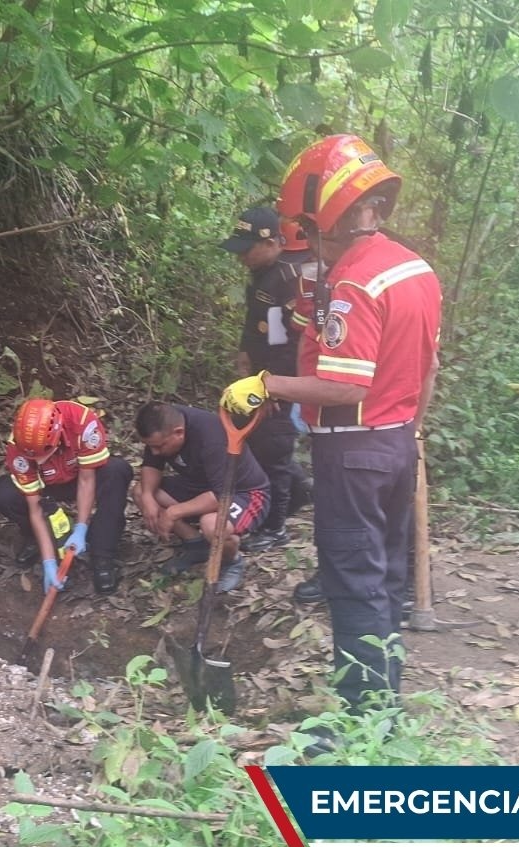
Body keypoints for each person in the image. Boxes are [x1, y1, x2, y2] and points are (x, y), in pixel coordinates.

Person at [222, 134, 442, 714]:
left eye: (308, 225)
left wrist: (267, 385)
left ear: (332, 215)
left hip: (353, 449)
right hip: (395, 443)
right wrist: (409, 430)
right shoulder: (414, 268)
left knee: (353, 578)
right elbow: (430, 366)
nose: (308, 238)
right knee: (386, 575)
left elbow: (347, 385)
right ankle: (381, 703)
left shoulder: (355, 281)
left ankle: (361, 719)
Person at [220, 206, 316, 554]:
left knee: (273, 451)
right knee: (259, 445)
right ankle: (303, 491)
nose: (242, 256)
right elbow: (258, 324)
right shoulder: (264, 273)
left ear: (274, 242)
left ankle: (275, 527)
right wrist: (245, 353)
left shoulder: (290, 277)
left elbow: (293, 343)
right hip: (261, 378)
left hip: (279, 381)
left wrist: (275, 386)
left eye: (248, 248)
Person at [0, 397, 133, 594]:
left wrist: (81, 528)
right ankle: (38, 539)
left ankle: (102, 554)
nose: (38, 459)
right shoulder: (18, 445)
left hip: (79, 476)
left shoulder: (82, 421)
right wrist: (49, 561)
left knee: (117, 471)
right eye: (33, 456)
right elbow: (35, 507)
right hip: (46, 484)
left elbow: (86, 480)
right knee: (4, 494)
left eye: (44, 451)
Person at [134, 401, 270, 594]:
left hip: (243, 492)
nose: (155, 452)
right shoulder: (162, 424)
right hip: (198, 486)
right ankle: (196, 544)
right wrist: (147, 497)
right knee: (141, 491)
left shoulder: (211, 437)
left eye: (159, 447)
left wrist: (173, 512)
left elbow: (220, 496)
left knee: (213, 525)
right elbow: (151, 466)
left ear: (179, 432)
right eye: (151, 447)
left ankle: (232, 562)